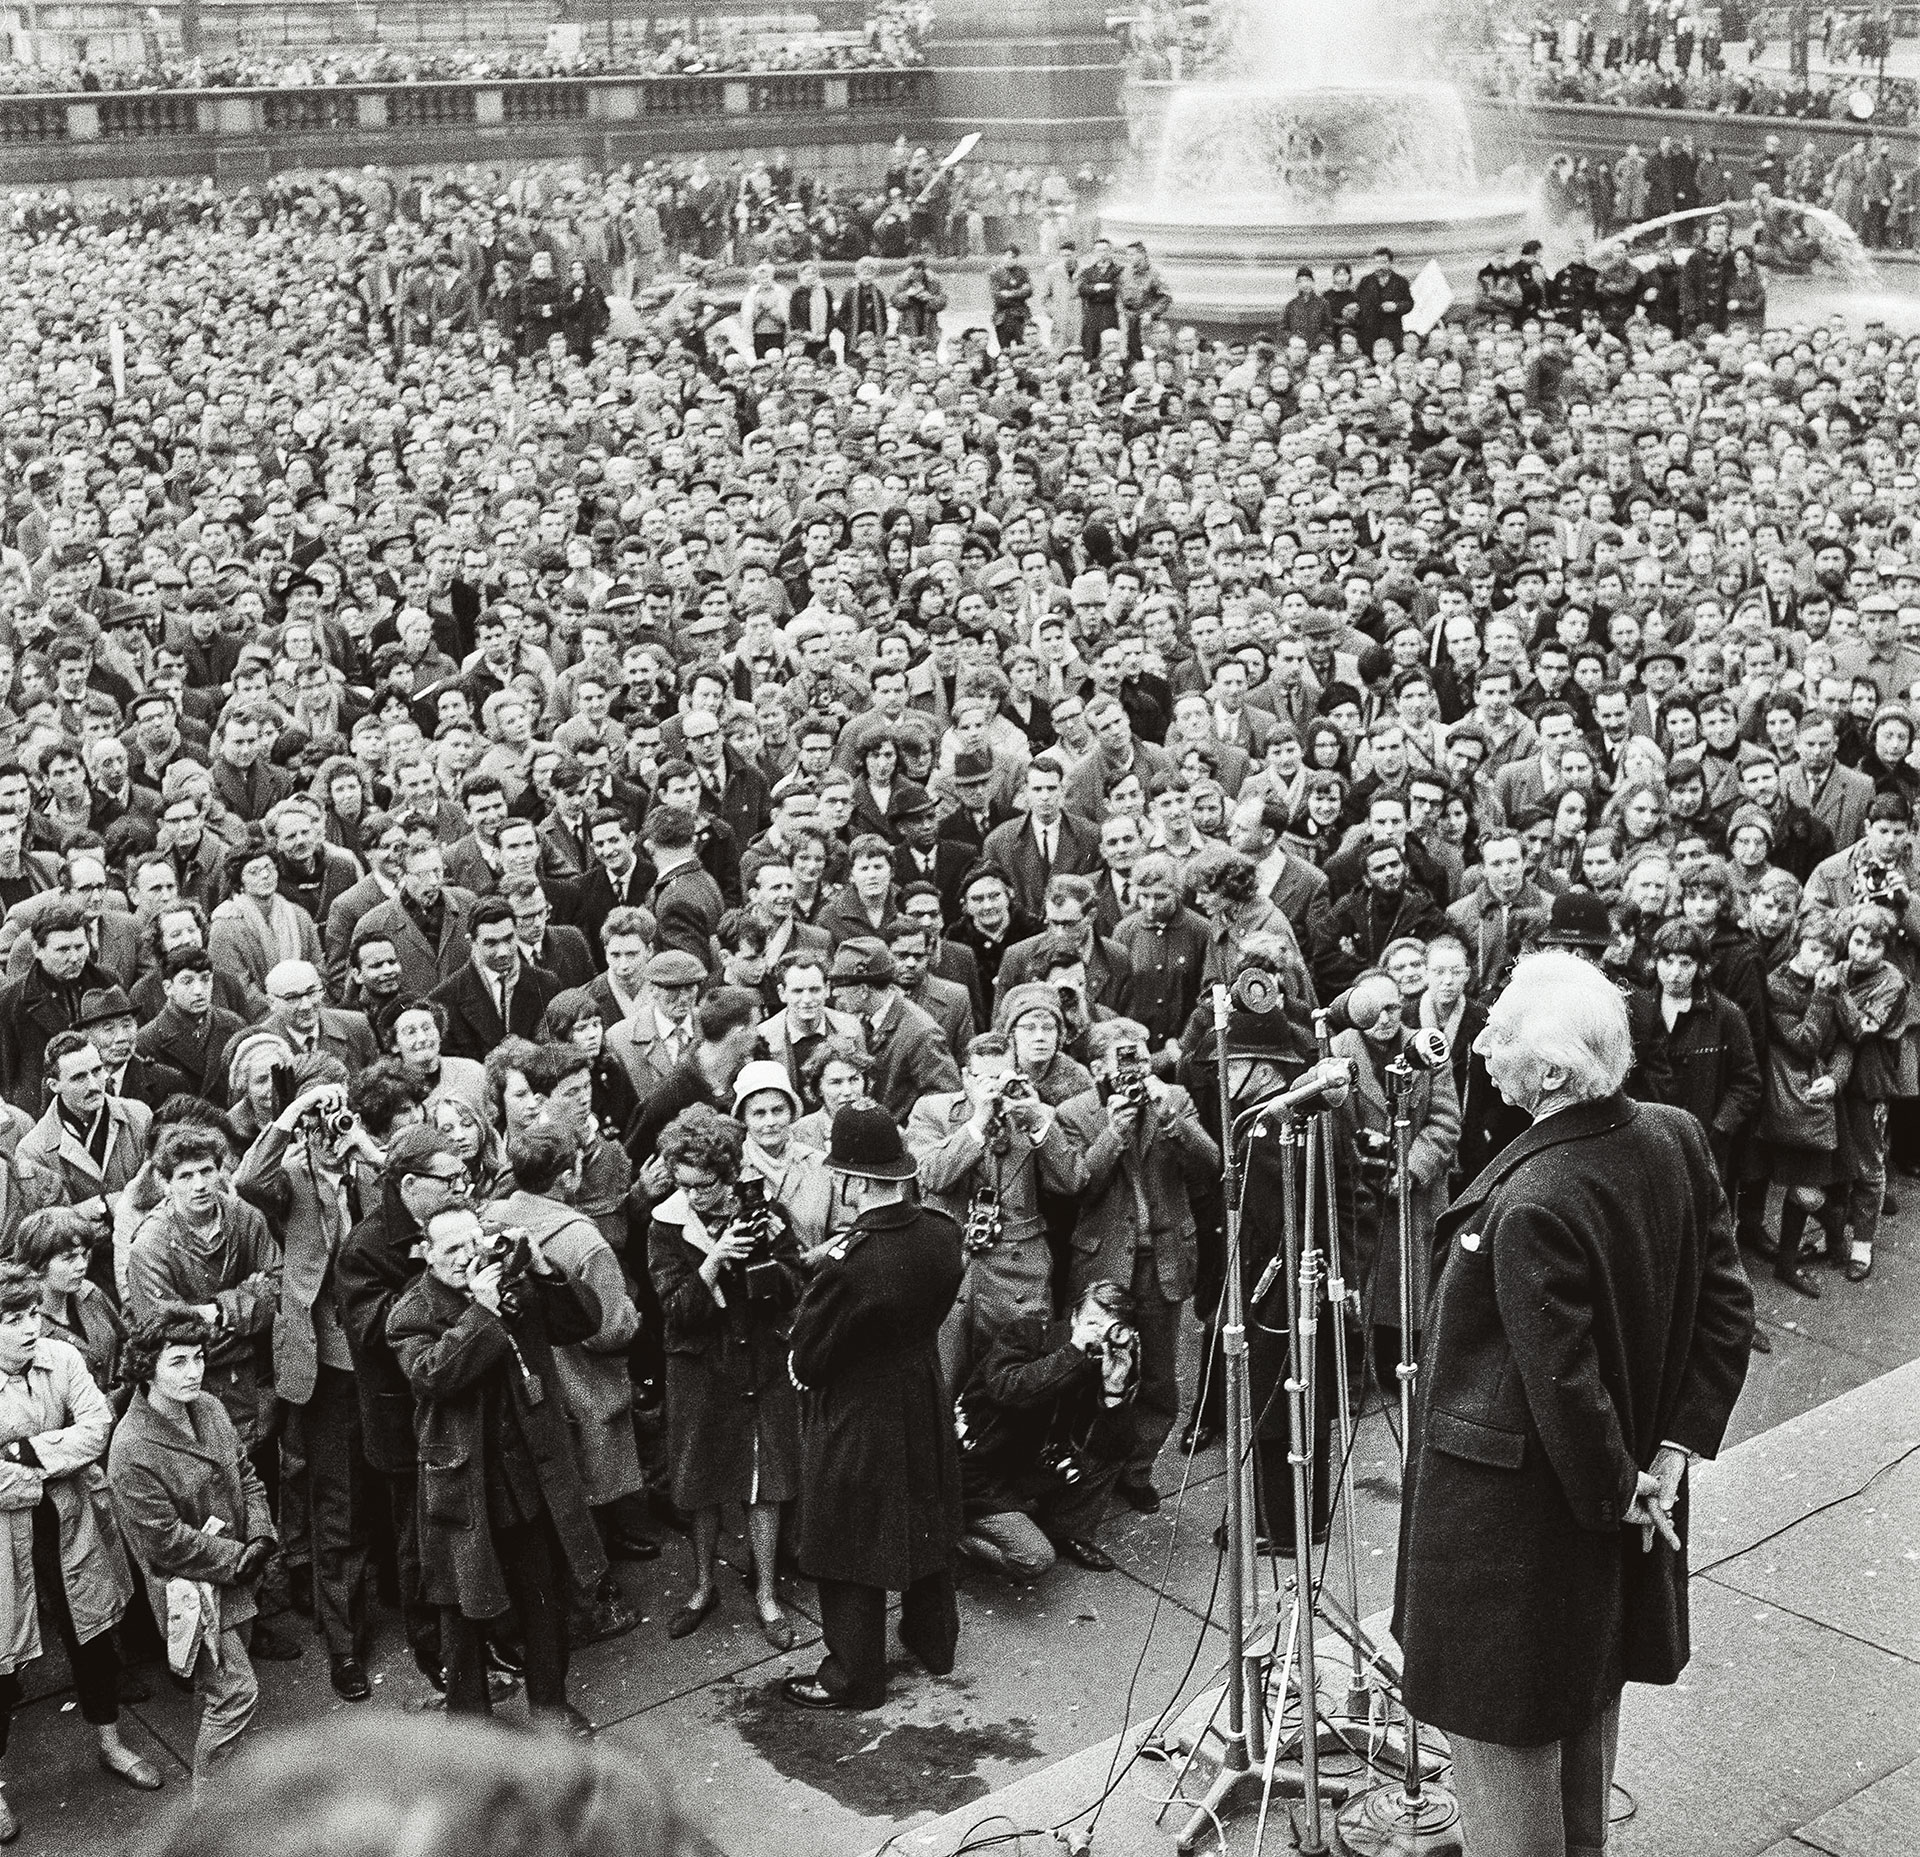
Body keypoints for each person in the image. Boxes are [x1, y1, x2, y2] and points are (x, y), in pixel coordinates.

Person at [1395, 950, 1754, 1857]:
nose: (1480, 1044)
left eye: (1501, 1032)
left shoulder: (1531, 1200)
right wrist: (1668, 1457)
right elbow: (1727, 1309)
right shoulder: (1673, 1136)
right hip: (1608, 1530)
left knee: (1508, 1770)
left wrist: (1619, 1485)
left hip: (1508, 1548)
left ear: (1552, 1071)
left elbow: (1566, 1383)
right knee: (1586, 1734)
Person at [385, 1200, 607, 1733]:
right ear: (426, 1254)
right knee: (464, 1611)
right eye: (452, 1248)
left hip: (529, 1472)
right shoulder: (412, 1312)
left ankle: (550, 1707)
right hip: (466, 1480)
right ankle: (471, 1727)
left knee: (542, 1595)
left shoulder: (513, 1286)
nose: (468, 1256)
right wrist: (481, 1314)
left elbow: (582, 1321)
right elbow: (434, 1377)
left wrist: (544, 1269)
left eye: (474, 1241)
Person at [780, 1106, 964, 1711]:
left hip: (859, 1417)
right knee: (927, 1515)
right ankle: (934, 1641)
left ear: (854, 1182)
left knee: (848, 1540)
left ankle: (854, 1676)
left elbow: (807, 1363)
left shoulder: (849, 1265)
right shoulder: (942, 1233)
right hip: (922, 1393)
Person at [0, 1261, 156, 1843]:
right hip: (5, 1543)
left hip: (70, 1525)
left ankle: (112, 1743)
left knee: (91, 1638)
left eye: (34, 1314)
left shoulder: (61, 1360)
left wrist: (24, 1451)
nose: (29, 1327)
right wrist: (46, 1474)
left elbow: (99, 1425)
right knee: (1, 1666)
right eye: (12, 1319)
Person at [647, 1104, 805, 1652]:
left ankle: (766, 1594)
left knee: (765, 1486)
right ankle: (702, 1586)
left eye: (706, 1185)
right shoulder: (665, 1227)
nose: (694, 1196)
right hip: (700, 1374)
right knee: (702, 1486)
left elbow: (793, 1285)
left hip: (761, 1367)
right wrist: (713, 1261)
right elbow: (675, 1310)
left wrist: (767, 1256)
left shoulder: (765, 1210)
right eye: (685, 1185)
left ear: (730, 1172)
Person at [1056, 1019, 1220, 1514]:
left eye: (1143, 1056)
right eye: (1124, 1058)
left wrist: (1172, 1119)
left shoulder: (1173, 1099)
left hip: (1162, 1261)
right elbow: (1079, 1186)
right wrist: (1114, 1132)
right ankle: (1086, 1482)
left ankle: (1138, 1469)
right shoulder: (1074, 1113)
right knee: (1097, 1377)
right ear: (1098, 1067)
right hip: (1104, 1264)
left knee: (1158, 1380)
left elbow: (1210, 1166)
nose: (1136, 1068)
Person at [109, 1310, 276, 1786]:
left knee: (224, 1691)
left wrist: (262, 1535)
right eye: (177, 1362)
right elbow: (163, 1541)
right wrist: (238, 1558)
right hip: (191, 1593)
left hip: (238, 1574)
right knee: (234, 1695)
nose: (193, 1372)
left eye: (198, 1358)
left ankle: (232, 1796)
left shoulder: (209, 1408)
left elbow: (244, 1473)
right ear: (146, 1368)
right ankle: (210, 1819)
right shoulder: (132, 1449)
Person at [907, 1030, 1083, 1390]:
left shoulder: (1037, 1112)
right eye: (985, 1078)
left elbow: (1072, 1181)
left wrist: (1036, 1123)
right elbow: (932, 1177)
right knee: (945, 1381)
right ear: (965, 1076)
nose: (995, 1088)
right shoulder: (933, 1111)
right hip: (955, 1263)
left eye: (1003, 1077)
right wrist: (977, 1122)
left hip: (1021, 1267)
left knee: (1017, 1380)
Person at [954, 1278, 1139, 1581]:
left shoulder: (1107, 1361)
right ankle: (953, 1537)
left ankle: (1067, 1530)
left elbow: (1118, 1447)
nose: (1099, 1334)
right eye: (1092, 1322)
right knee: (1034, 1558)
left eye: (1110, 1327)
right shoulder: (1026, 1334)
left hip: (1034, 1466)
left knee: (1107, 1453)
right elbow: (1008, 1389)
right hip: (980, 1473)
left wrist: (1114, 1388)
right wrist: (1073, 1351)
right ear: (1074, 1318)